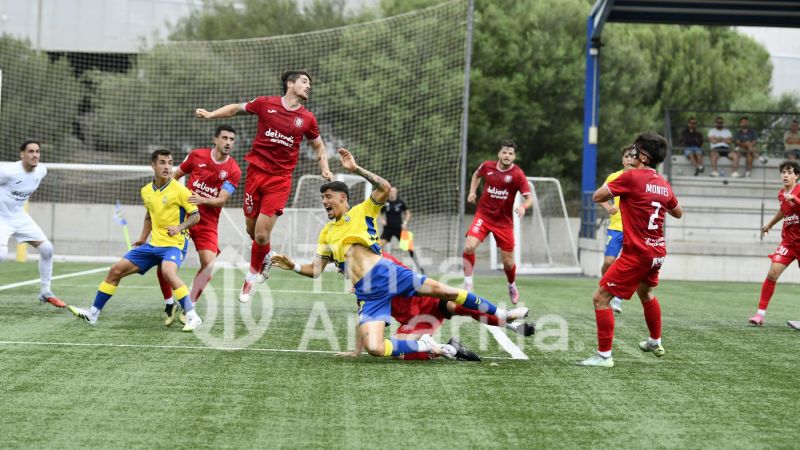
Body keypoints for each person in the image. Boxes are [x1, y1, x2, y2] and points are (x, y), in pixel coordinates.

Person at [270, 148, 528, 360]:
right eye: (322, 198)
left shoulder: (363, 210)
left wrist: (356, 169)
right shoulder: (326, 232)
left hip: (387, 273)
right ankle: (430, 346)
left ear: (342, 197)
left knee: (448, 293)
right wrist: (292, 266)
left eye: (327, 196)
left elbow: (384, 186)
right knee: (376, 349)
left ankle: (503, 315)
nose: (324, 201)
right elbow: (315, 270)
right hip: (367, 293)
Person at [195, 70, 333, 303]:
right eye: (304, 81)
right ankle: (266, 256)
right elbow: (235, 109)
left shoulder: (307, 119)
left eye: (309, 83)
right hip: (255, 174)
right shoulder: (264, 104)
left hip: (279, 181)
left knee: (260, 234)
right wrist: (210, 115)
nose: (309, 86)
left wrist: (325, 168)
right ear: (290, 84)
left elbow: (319, 147)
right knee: (252, 230)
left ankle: (250, 278)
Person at [578, 132, 683, 367]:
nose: (631, 155)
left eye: (635, 151)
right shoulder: (663, 183)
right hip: (657, 252)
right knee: (646, 293)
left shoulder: (630, 178)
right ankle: (655, 340)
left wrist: (620, 179)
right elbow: (678, 212)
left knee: (600, 299)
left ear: (643, 157)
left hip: (637, 253)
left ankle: (604, 356)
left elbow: (598, 196)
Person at [68, 149, 203, 331]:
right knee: (115, 270)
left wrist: (179, 227)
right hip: (152, 245)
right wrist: (142, 239)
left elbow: (196, 216)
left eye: (170, 163)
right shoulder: (146, 191)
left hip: (174, 245)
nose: (167, 167)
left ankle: (193, 316)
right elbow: (149, 216)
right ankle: (93, 313)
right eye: (162, 162)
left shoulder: (180, 189)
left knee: (168, 272)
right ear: (153, 165)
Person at [337, 252, 536, 361]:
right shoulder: (364, 288)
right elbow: (366, 322)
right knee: (399, 352)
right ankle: (447, 349)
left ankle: (508, 319)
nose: (340, 272)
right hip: (418, 321)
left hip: (431, 302)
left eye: (341, 267)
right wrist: (357, 351)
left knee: (459, 305)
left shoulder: (383, 262)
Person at [155, 125, 242, 326]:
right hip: (183, 217)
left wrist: (201, 199)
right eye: (225, 138)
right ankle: (169, 302)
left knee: (208, 264)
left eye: (232, 139)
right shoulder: (196, 156)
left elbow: (221, 200)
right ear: (215, 139)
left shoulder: (233, 170)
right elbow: (175, 177)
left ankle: (189, 306)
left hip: (208, 222)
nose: (228, 143)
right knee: (163, 261)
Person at [463, 140, 533, 304]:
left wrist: (523, 207)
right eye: (504, 152)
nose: (507, 156)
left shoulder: (517, 175)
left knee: (508, 263)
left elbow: (529, 198)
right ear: (499, 154)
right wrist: (472, 192)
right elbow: (476, 175)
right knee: (469, 246)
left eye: (510, 153)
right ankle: (468, 282)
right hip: (484, 216)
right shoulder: (487, 166)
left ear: (514, 156)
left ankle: (511, 284)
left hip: (504, 222)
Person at [0, 140, 65, 308]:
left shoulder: (41, 171)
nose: (35, 155)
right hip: (1, 218)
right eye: (30, 151)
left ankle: (45, 292)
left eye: (37, 151)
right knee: (1, 255)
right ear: (22, 154)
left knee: (47, 249)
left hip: (20, 217)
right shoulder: (8, 172)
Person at [748, 161, 800, 326]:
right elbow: (784, 210)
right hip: (788, 243)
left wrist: (796, 200)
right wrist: (770, 224)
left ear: (797, 176)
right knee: (772, 273)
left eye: (789, 172)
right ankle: (760, 315)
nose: (785, 175)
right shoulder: (781, 194)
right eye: (783, 172)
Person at [599, 145, 635, 314]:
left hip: (633, 230)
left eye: (632, 156)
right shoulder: (614, 177)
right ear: (622, 159)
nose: (629, 159)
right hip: (615, 227)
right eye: (626, 156)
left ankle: (618, 296)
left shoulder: (639, 178)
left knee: (627, 265)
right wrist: (608, 207)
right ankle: (604, 284)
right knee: (608, 262)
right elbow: (599, 196)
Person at [379, 187, 424, 273]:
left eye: (393, 192)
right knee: (379, 247)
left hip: (399, 229)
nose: (392, 193)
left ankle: (419, 267)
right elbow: (380, 213)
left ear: (396, 193)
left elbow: (408, 213)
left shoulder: (400, 202)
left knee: (410, 247)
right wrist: (382, 220)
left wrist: (405, 223)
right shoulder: (385, 203)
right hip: (388, 229)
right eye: (390, 191)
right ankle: (377, 267)